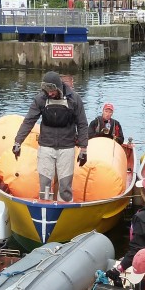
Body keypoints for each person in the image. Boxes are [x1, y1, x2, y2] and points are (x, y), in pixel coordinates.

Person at [12, 71, 89, 202]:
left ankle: (65, 207)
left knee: (64, 186)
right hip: (46, 146)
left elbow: (82, 124)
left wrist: (83, 149)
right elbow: (29, 121)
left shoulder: (74, 99)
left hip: (67, 147)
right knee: (45, 184)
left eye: (52, 90)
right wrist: (18, 142)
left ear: (58, 87)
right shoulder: (40, 99)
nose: (50, 93)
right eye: (47, 91)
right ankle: (45, 206)